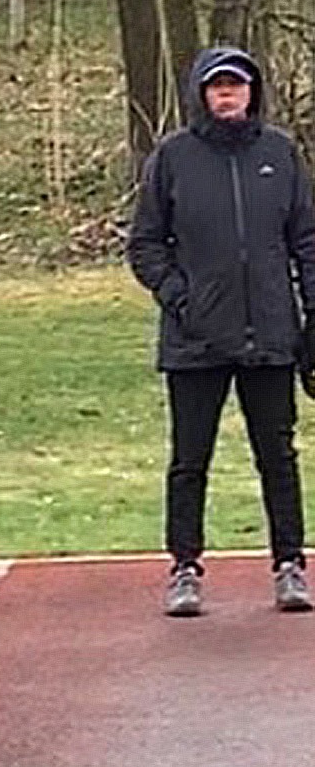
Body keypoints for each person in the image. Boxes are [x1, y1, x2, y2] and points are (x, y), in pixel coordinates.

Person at [128, 44, 315, 617]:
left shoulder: (280, 154)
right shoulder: (173, 157)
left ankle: (290, 565)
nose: (227, 93)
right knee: (190, 459)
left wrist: (312, 319)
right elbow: (145, 245)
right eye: (217, 86)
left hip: (270, 336)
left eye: (237, 84)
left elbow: (307, 241)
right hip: (195, 341)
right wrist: (180, 298)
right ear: (202, 95)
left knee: (277, 455)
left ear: (252, 92)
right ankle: (184, 568)